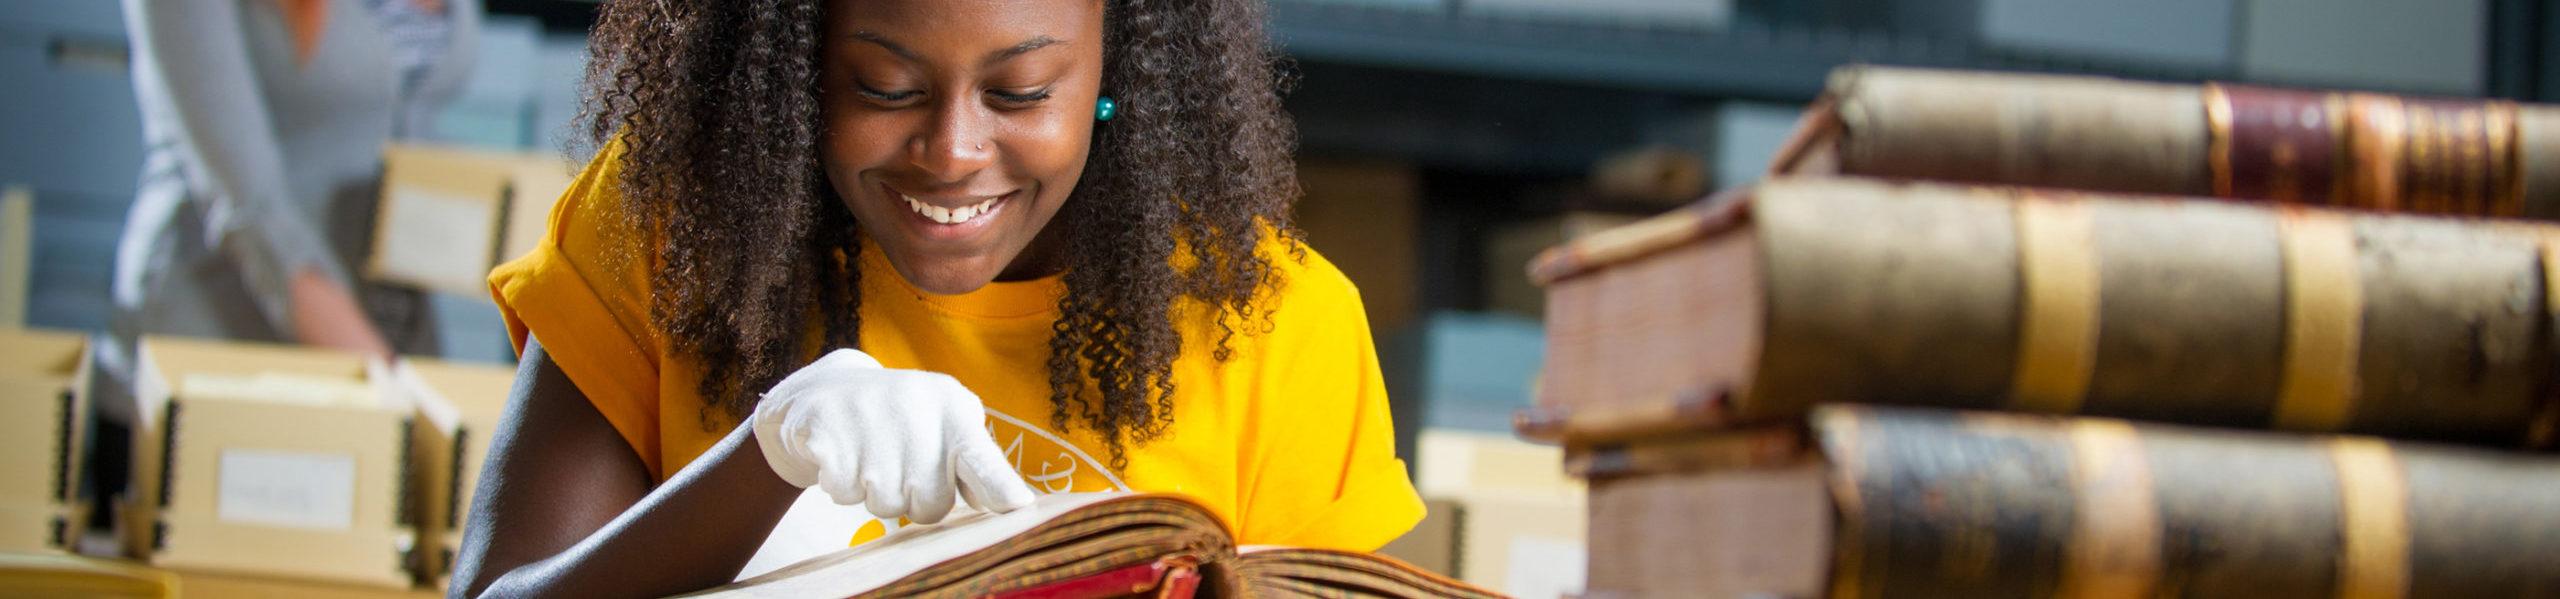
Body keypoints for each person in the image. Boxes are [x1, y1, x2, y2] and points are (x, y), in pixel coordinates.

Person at [448, 0, 1424, 596]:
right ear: (796, 70)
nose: (952, 153)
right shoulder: (674, 226)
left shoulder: (1279, 321)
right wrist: (766, 458)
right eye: (882, 87)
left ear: (1111, 76)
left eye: (1021, 92)